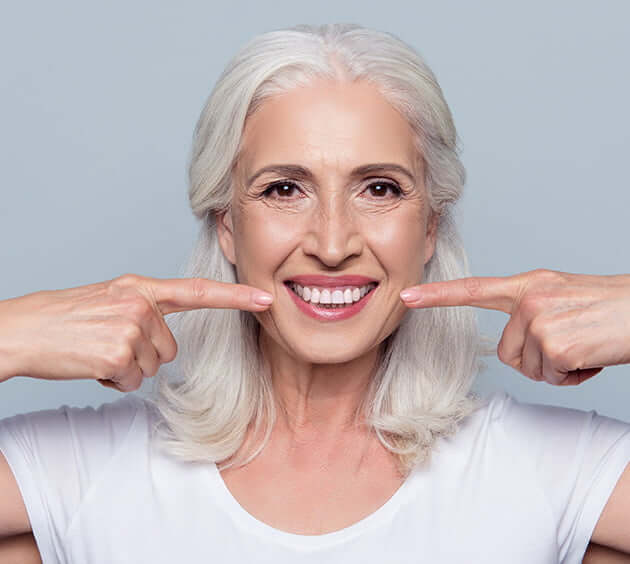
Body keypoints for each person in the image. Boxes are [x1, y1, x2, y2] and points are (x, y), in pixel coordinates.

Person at [0, 22, 629, 564]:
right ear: (226, 223)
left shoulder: (548, 468)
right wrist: (11, 336)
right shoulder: (82, 471)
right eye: (283, 189)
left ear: (431, 224)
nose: (332, 243)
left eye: (379, 188)